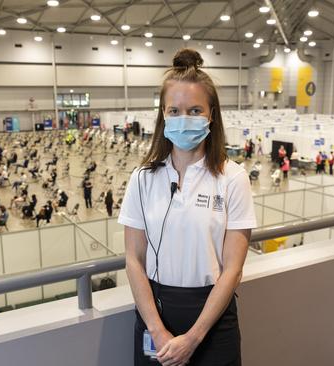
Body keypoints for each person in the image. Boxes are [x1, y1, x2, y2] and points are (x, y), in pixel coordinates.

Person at [119, 49, 256, 366]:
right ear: (163, 115)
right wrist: (158, 331)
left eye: (195, 110)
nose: (185, 119)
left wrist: (193, 338)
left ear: (211, 115)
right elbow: (134, 260)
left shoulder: (232, 178)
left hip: (212, 319)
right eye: (175, 110)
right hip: (156, 315)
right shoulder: (142, 179)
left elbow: (232, 269)